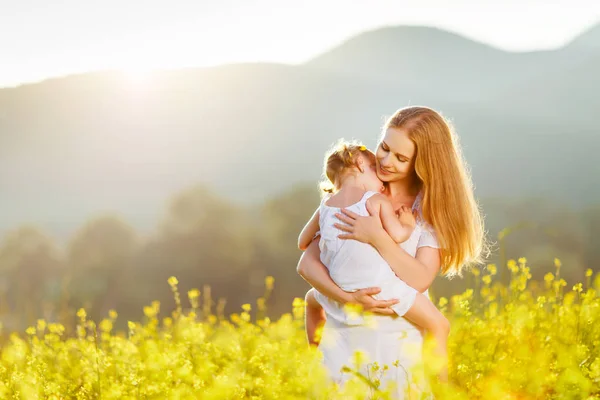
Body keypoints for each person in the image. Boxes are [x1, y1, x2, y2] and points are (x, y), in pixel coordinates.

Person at [296, 106, 486, 398]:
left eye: (401, 158)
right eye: (384, 148)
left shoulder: (426, 209)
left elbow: (420, 279)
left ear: (424, 164)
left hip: (396, 343)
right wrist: (349, 299)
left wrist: (377, 237)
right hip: (345, 337)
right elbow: (308, 263)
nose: (385, 161)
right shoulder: (359, 188)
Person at [297, 139, 451, 382]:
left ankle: (315, 361)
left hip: (340, 283)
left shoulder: (326, 205)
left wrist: (330, 234)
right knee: (439, 326)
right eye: (374, 166)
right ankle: (445, 392)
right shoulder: (374, 200)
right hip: (379, 286)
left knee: (311, 300)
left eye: (400, 157)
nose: (381, 179)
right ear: (360, 164)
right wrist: (408, 225)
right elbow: (399, 235)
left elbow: (302, 242)